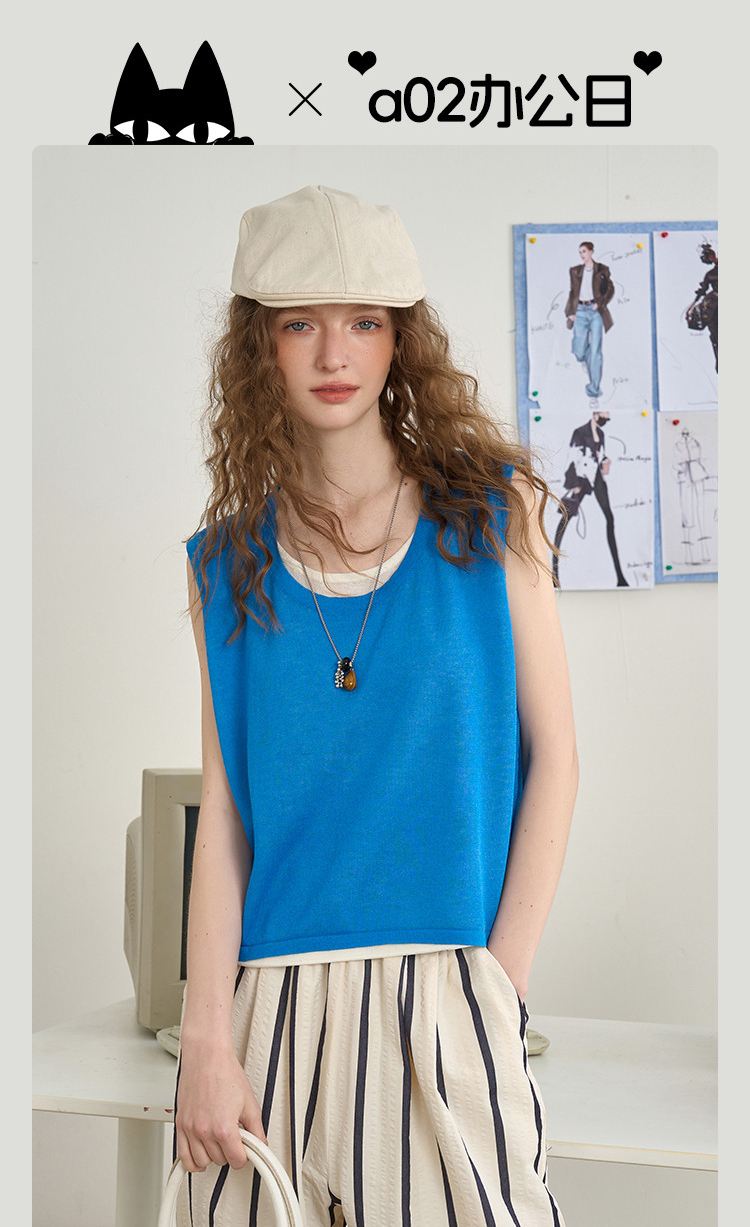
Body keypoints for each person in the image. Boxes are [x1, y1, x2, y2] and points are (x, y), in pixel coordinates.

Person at [174, 185, 578, 1227]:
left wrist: (497, 985)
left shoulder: (495, 515)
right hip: (272, 1002)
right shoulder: (226, 565)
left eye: (362, 321)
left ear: (401, 340)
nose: (332, 353)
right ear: (258, 347)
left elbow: (556, 757)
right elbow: (226, 816)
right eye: (298, 324)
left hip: (450, 991)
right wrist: (206, 1037)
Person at [553, 411, 628, 588]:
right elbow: (572, 458)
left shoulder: (601, 433)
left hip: (597, 478)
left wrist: (605, 461)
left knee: (610, 518)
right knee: (565, 519)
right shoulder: (580, 432)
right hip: (582, 478)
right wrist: (573, 483)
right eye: (604, 415)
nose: (606, 418)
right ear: (595, 414)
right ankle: (554, 574)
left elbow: (599, 455)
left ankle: (620, 577)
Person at [565, 241, 615, 401]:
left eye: (584, 251)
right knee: (579, 351)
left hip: (595, 312)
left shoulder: (602, 269)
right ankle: (586, 360)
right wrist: (570, 312)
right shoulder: (575, 271)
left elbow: (610, 289)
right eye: (580, 252)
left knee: (596, 352)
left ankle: (594, 390)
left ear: (591, 252)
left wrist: (600, 304)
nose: (582, 255)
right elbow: (573, 292)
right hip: (579, 311)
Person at [685, 242, 718, 371]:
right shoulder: (710, 274)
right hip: (713, 307)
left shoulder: (710, 274)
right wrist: (694, 303)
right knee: (715, 336)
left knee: (716, 336)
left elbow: (703, 290)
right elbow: (703, 290)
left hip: (713, 305)